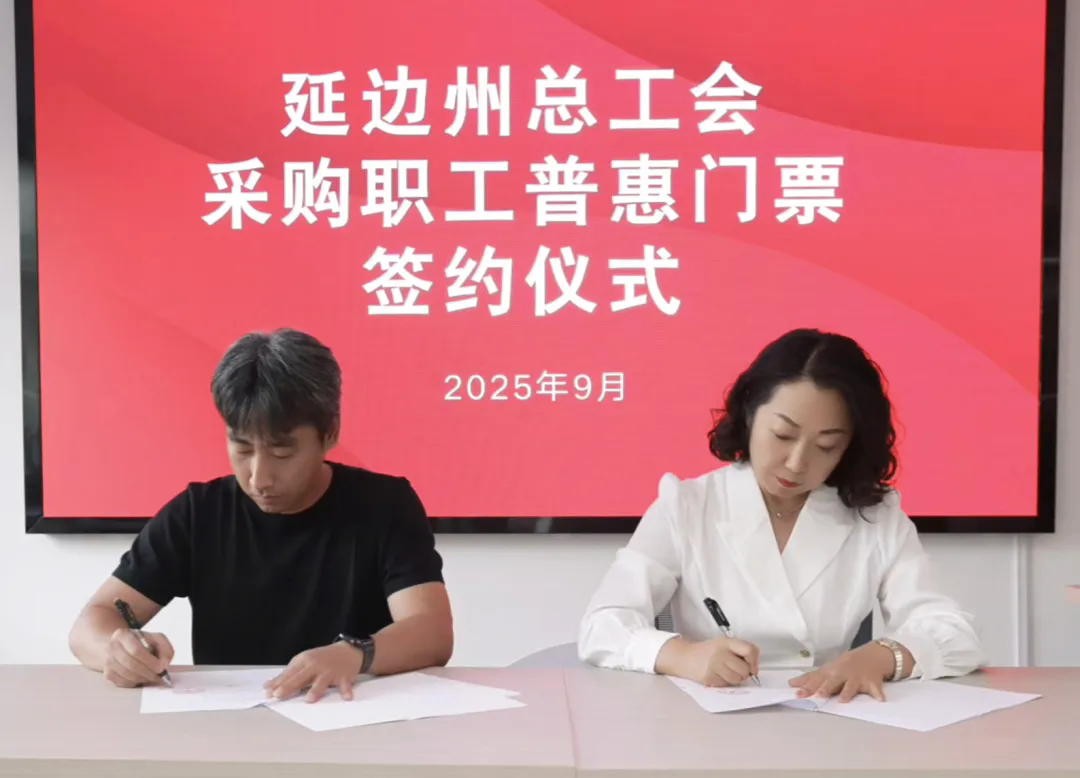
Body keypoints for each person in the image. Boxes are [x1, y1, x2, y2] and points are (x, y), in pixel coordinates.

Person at [578, 328, 984, 702]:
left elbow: (955, 632)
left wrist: (881, 657)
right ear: (750, 412)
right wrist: (683, 656)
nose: (796, 463)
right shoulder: (687, 505)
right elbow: (603, 624)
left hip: (831, 718)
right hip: (708, 724)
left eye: (826, 446)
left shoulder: (876, 518)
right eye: (783, 435)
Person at [69, 328, 453, 702]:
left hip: (351, 718)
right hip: (232, 726)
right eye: (242, 449)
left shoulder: (385, 505)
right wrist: (118, 652)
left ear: (330, 434)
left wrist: (354, 654)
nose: (258, 478)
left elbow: (432, 633)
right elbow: (91, 623)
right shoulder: (198, 513)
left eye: (282, 453)